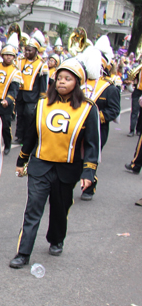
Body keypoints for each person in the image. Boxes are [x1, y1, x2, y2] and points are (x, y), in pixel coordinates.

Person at [10, 55, 100, 268]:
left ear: (77, 82)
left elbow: (92, 144)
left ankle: (56, 239)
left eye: (67, 79)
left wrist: (89, 173)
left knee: (60, 208)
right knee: (33, 209)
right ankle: (23, 253)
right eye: (59, 78)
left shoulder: (87, 108)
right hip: (40, 165)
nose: (61, 82)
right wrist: (22, 160)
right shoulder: (42, 105)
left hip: (67, 168)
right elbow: (31, 135)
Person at [79, 37, 121, 201]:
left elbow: (114, 111)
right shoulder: (80, 82)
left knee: (91, 155)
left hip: (98, 129)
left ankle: (90, 185)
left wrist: (96, 118)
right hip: (77, 126)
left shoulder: (109, 88)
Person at [14, 30, 48, 145]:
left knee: (29, 116)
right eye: (26, 49)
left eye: (30, 50)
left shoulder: (41, 64)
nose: (27, 52)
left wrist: (42, 97)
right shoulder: (20, 61)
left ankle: (29, 137)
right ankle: (19, 136)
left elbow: (43, 83)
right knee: (20, 115)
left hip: (32, 95)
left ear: (36, 51)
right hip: (21, 93)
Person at [128, 63, 142, 138]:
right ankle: (132, 130)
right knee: (134, 111)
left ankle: (139, 129)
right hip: (137, 91)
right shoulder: (138, 68)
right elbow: (131, 77)